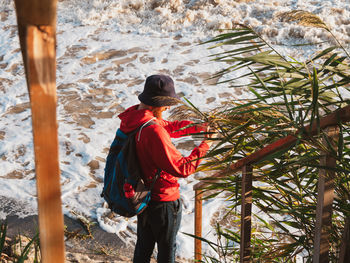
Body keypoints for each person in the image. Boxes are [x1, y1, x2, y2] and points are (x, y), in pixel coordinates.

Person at [117, 74, 215, 263]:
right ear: (156, 103)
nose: (169, 108)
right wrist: (206, 145)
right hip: (162, 201)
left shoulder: (134, 118)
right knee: (167, 250)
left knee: (143, 247)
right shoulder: (153, 131)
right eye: (166, 104)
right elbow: (181, 168)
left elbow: (168, 127)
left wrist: (199, 127)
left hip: (141, 195)